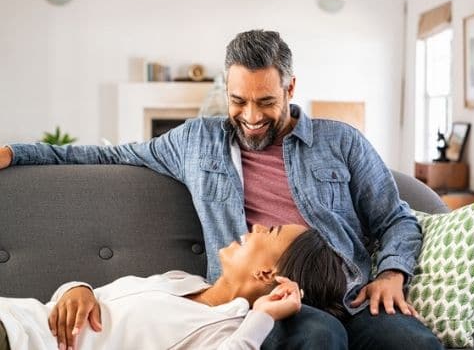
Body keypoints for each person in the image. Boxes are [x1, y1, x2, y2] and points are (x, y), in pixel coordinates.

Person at [0, 29, 442, 349]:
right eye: (238, 100)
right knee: (319, 335)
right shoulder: (195, 141)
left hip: (351, 294)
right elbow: (108, 155)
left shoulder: (340, 141)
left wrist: (391, 274)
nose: (251, 115)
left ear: (290, 88)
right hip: (261, 301)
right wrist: (16, 154)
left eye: (266, 101)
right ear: (227, 91)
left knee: (415, 342)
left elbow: (395, 218)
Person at [0, 225, 347, 350]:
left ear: (266, 273)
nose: (254, 225)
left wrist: (263, 315)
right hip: (16, 313)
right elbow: (105, 301)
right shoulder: (184, 281)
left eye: (269, 232)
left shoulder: (224, 329)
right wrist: (78, 289)